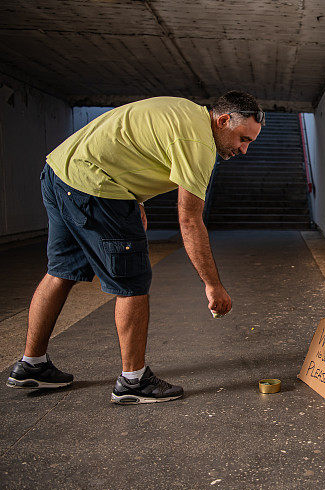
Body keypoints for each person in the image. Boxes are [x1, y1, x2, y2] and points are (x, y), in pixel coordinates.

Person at [6, 91, 263, 404]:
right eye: (243, 138)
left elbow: (131, 141)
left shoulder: (184, 110)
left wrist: (134, 197)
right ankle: (133, 381)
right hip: (95, 186)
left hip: (60, 171)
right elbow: (190, 220)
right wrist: (213, 286)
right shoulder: (199, 143)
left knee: (61, 271)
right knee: (133, 281)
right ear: (222, 121)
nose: (244, 149)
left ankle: (31, 366)